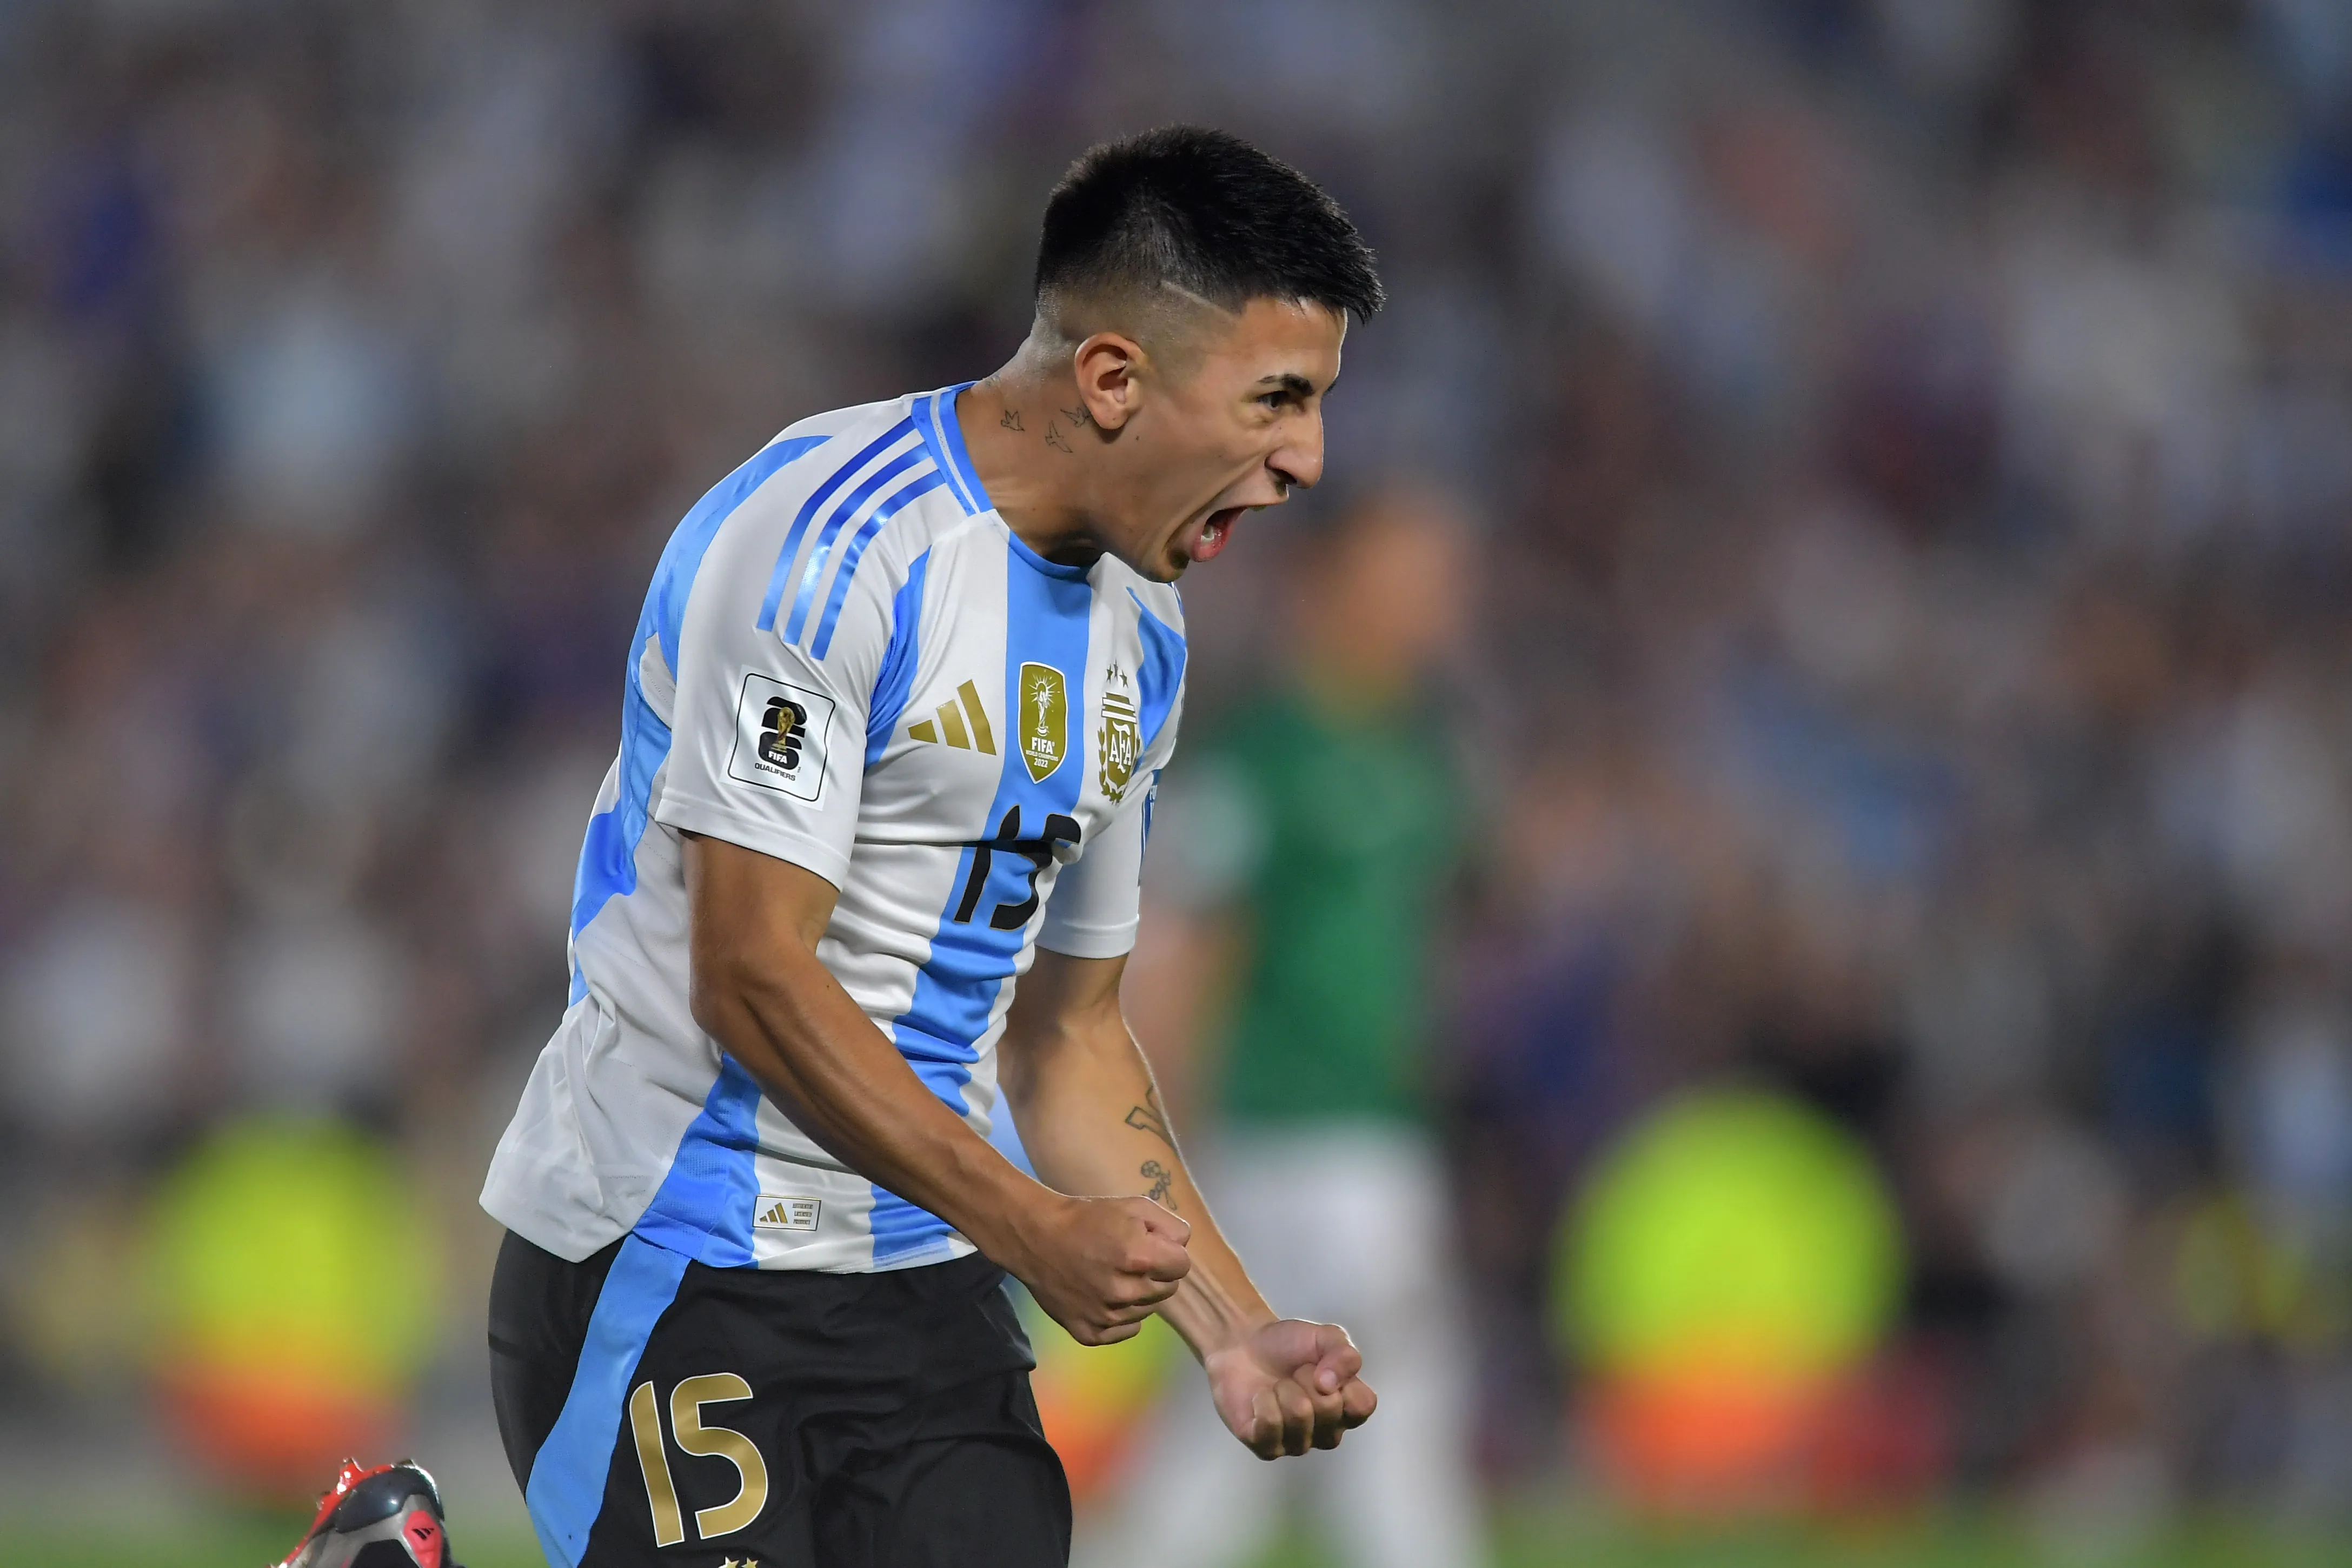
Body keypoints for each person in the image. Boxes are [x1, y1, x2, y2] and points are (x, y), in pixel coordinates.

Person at [475, 126, 1384, 1568]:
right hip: (674, 1255)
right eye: (1277, 399)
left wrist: (1228, 1325)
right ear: (1111, 379)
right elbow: (750, 974)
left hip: (924, 1271)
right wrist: (1030, 1224)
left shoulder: (1143, 630)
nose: (1306, 459)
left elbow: (1067, 1039)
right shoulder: (827, 545)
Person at [1084, 493, 1485, 1568]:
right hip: (1291, 1140)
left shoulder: (1421, 753)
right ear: (1327, 587)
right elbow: (1182, 962)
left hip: (1369, 1131)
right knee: (1394, 1422)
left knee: (1231, 1439)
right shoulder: (1262, 763)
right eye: (1407, 573)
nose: (1436, 601)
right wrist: (1160, 1152)